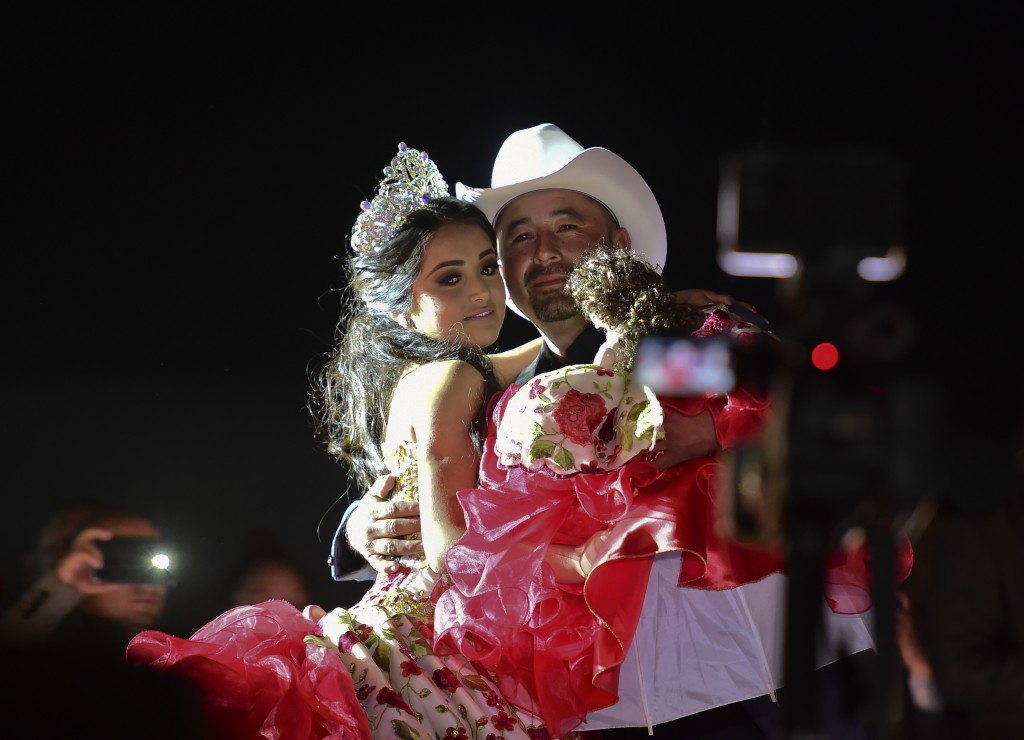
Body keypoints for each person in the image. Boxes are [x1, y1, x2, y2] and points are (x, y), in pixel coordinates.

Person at [337, 124, 911, 737]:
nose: (545, 251)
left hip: (764, 657)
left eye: (566, 226)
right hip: (604, 698)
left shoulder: (673, 339)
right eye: (520, 236)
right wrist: (358, 531)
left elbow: (795, 395)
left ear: (620, 242)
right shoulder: (489, 391)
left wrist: (715, 428)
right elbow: (440, 507)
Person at [125, 143, 567, 739]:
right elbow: (447, 548)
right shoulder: (458, 375)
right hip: (444, 635)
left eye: (485, 268)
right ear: (403, 311)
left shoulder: (450, 373)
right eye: (451, 278)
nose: (483, 291)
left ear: (617, 240)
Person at [0, 502, 211, 739]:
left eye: (152, 559)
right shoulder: (52, 659)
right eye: (123, 561)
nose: (146, 583)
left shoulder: (184, 660)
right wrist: (63, 585)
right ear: (87, 562)